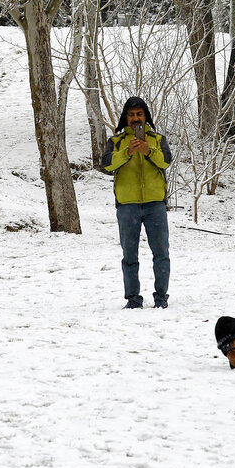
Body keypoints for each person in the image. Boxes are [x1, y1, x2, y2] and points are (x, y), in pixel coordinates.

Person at [101, 97, 172, 309]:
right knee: (129, 255)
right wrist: (128, 152)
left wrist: (147, 150)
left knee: (161, 253)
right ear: (125, 117)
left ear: (145, 116)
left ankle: (161, 297)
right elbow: (107, 165)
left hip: (155, 205)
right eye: (131, 115)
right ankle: (133, 299)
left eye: (139, 114)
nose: (135, 118)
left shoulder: (157, 139)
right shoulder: (116, 142)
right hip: (127, 205)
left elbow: (166, 161)